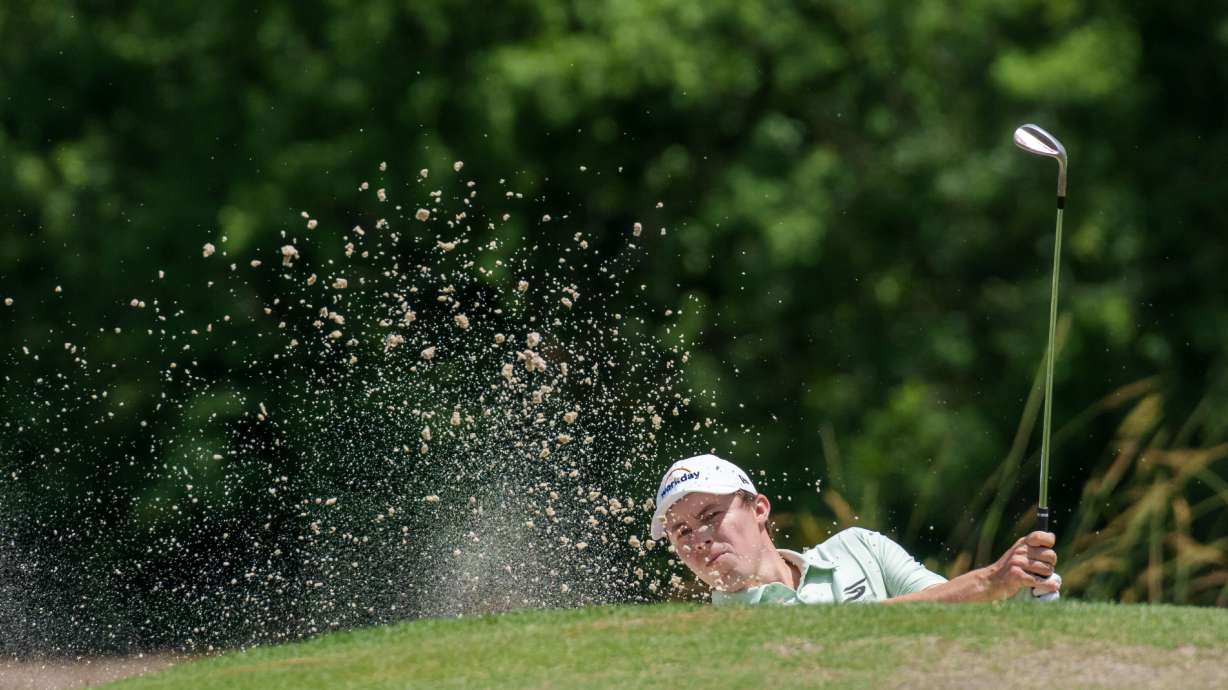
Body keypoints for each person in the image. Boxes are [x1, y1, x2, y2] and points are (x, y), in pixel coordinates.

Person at [651, 454, 1061, 604]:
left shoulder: (857, 548)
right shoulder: (722, 632)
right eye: (681, 533)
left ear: (759, 509)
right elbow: (846, 636)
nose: (699, 538)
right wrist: (989, 581)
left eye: (709, 516)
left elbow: (947, 606)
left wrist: (1026, 588)